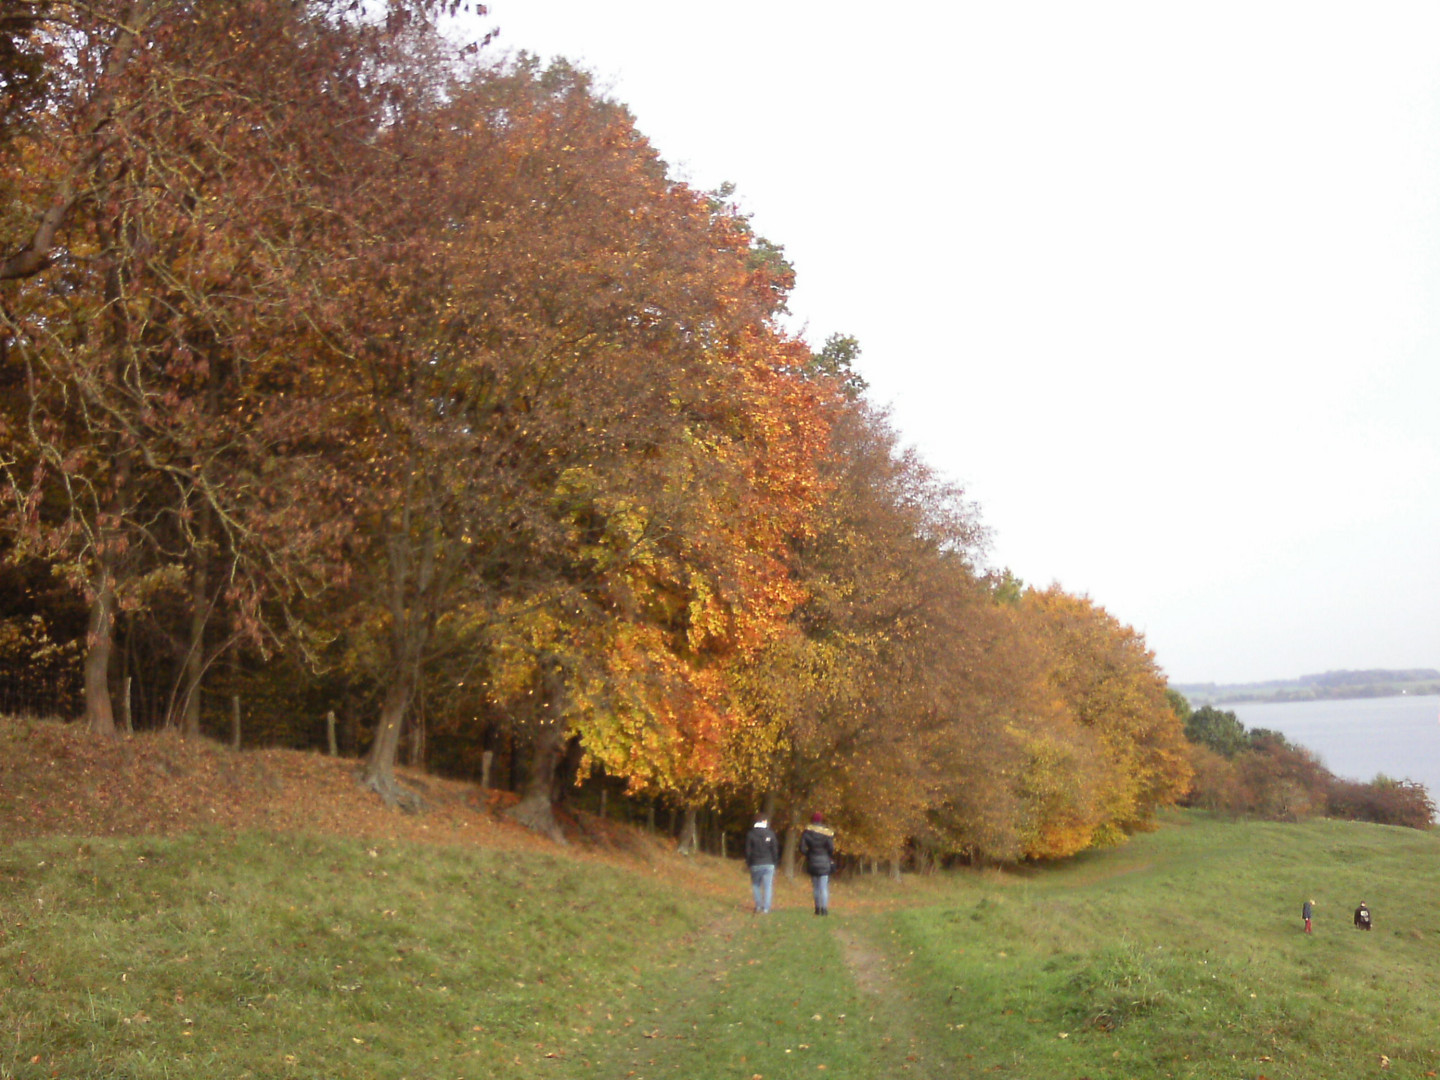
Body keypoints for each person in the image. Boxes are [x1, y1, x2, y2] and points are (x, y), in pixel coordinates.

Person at [799, 812, 836, 916]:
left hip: (812, 861)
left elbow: (801, 848)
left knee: (815, 887)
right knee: (824, 887)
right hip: (824, 861)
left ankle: (817, 908)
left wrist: (809, 854)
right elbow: (831, 848)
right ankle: (824, 910)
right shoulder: (827, 833)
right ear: (821, 820)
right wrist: (827, 855)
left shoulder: (807, 832)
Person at [744, 817, 779, 914]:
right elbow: (774, 850)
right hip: (769, 863)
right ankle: (766, 908)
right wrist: (775, 862)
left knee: (756, 885)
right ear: (764, 822)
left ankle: (758, 906)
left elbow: (748, 851)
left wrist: (749, 862)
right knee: (768, 887)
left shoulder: (750, 834)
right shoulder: (770, 833)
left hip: (755, 863)